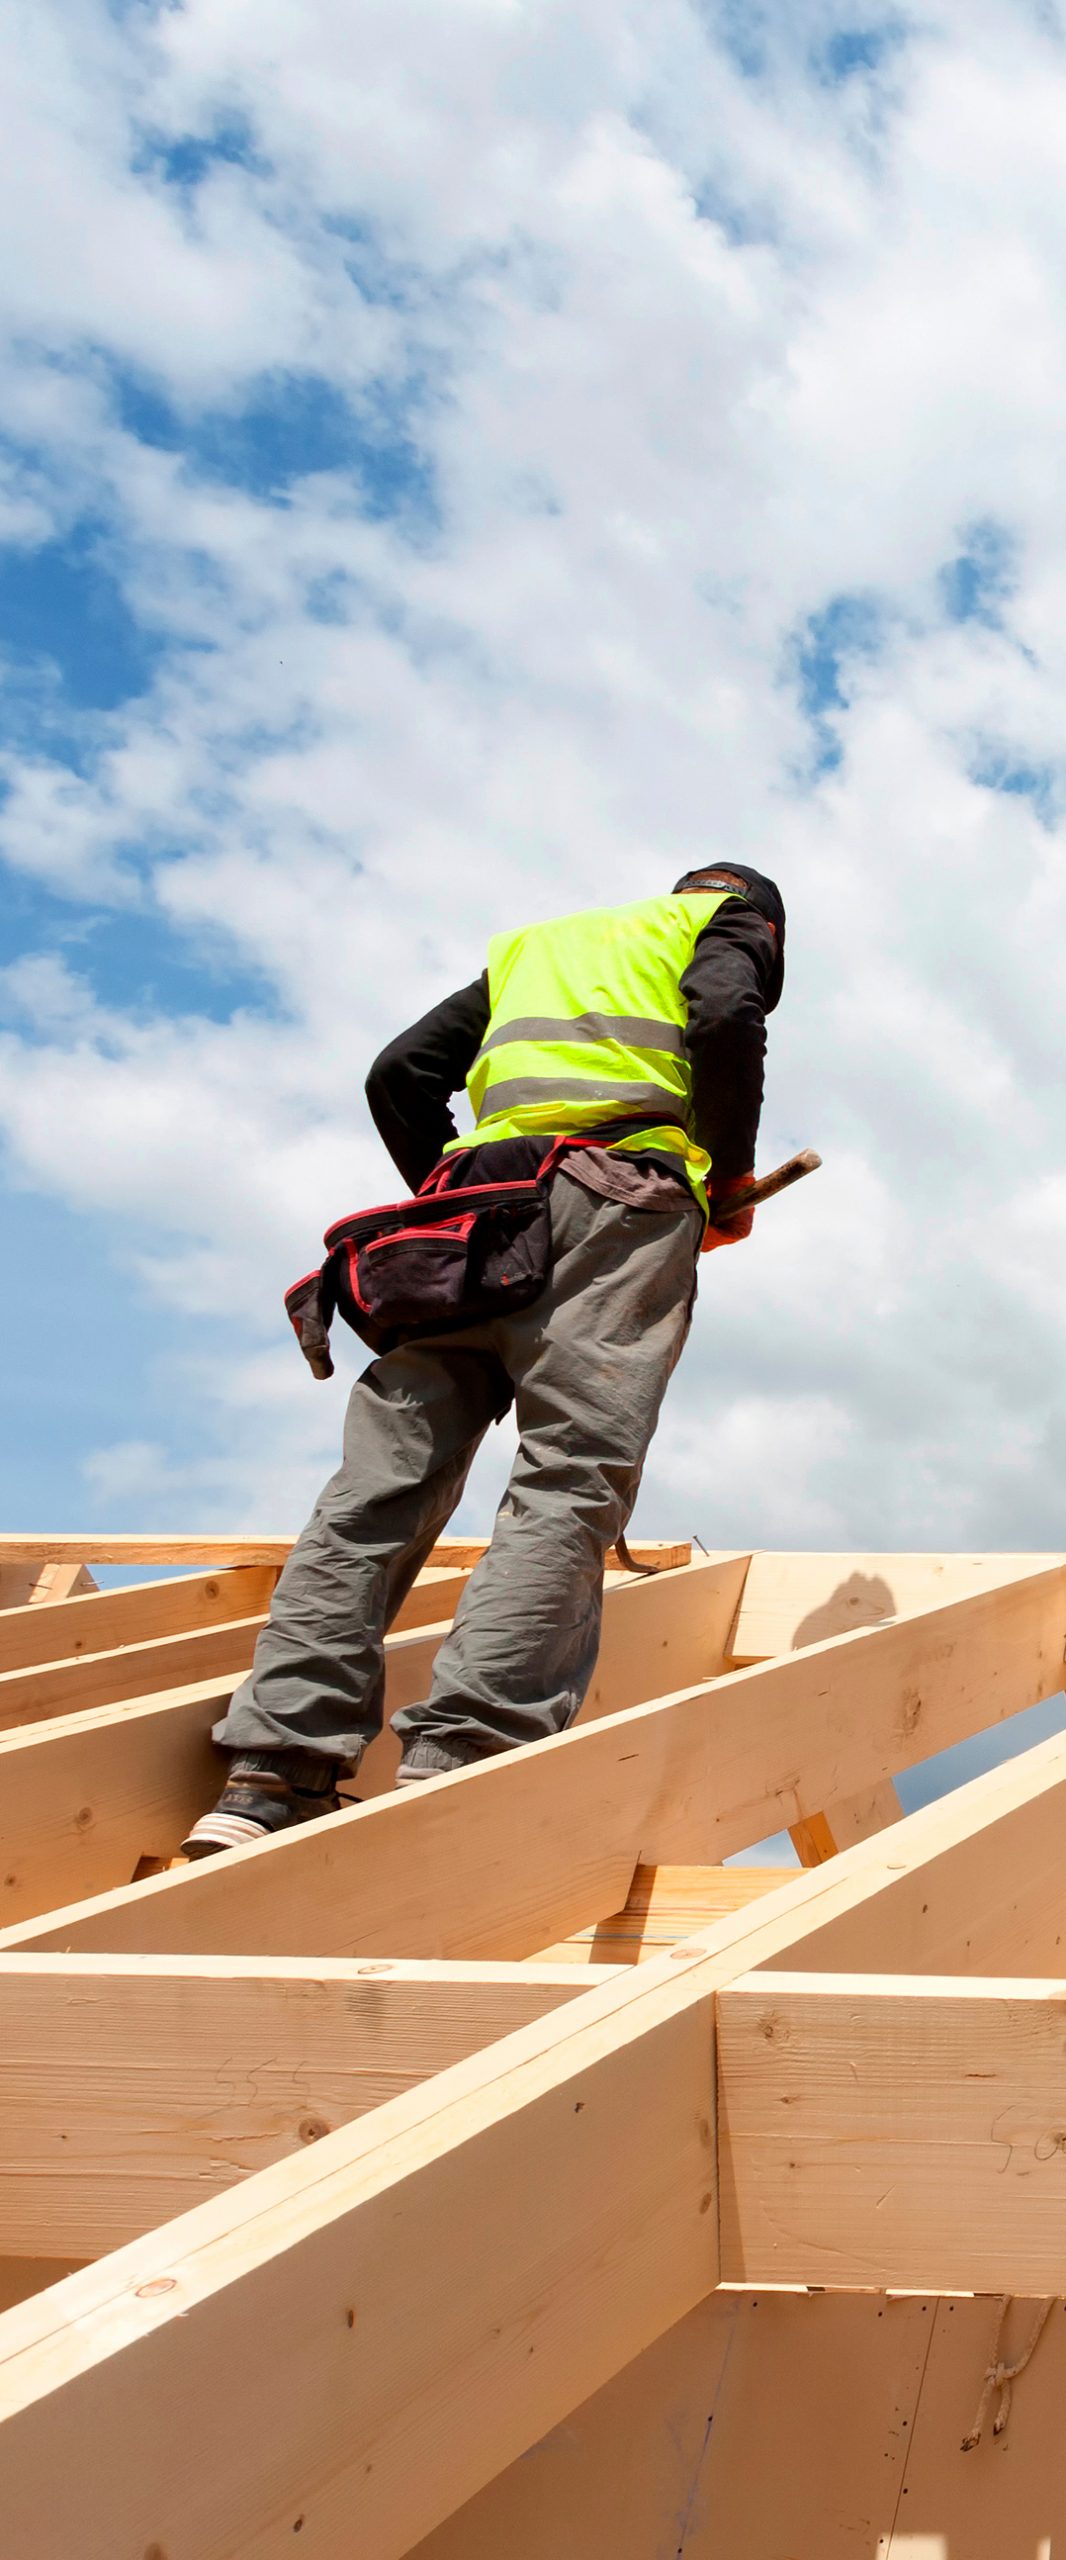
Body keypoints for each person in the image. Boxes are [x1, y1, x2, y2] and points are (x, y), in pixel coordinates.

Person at [181, 861, 786, 1857]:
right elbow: (723, 1018)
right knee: (567, 1478)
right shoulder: (727, 924)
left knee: (376, 1486)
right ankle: (464, 1761)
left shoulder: (536, 946)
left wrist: (451, 1190)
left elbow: (400, 1072)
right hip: (615, 1202)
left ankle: (270, 1773)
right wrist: (722, 1182)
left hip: (465, 1217)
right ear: (762, 919)